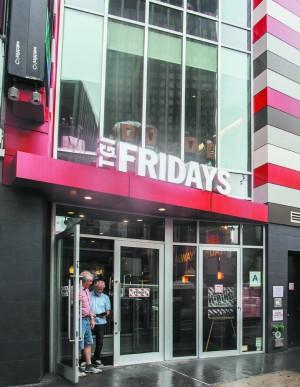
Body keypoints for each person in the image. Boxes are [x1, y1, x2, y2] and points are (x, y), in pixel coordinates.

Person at [79, 271, 102, 375]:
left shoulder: (87, 290)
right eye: (90, 280)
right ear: (85, 280)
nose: (92, 282)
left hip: (87, 319)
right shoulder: (77, 290)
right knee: (78, 342)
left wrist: (92, 319)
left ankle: (88, 366)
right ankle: (76, 368)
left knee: (88, 342)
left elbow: (89, 307)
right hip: (80, 319)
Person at [90, 279, 111, 366]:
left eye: (102, 289)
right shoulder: (89, 295)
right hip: (89, 321)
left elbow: (108, 310)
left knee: (100, 342)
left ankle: (96, 358)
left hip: (101, 321)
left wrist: (105, 314)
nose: (100, 291)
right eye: (98, 289)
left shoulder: (105, 297)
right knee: (86, 341)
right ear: (94, 287)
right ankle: (84, 359)